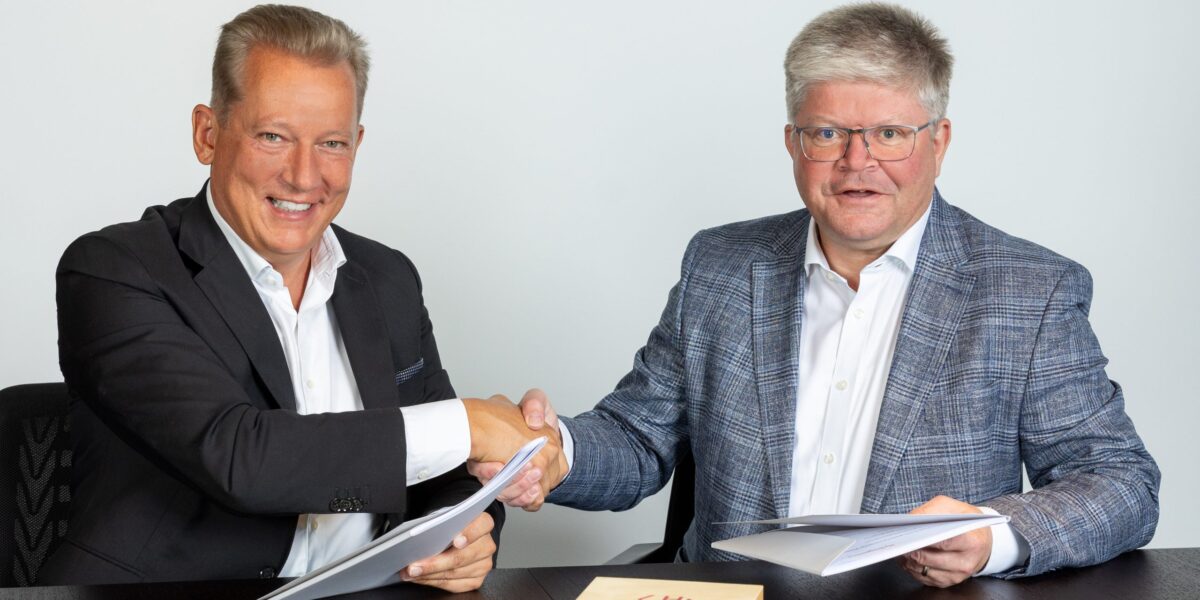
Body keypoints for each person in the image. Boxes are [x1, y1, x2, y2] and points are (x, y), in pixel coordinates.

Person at [477, 2, 1160, 588]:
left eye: (889, 134)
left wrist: (993, 537)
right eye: (828, 133)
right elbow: (638, 441)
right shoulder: (720, 266)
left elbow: (1121, 482)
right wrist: (556, 447)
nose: (857, 162)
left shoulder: (1029, 291)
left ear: (939, 141)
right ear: (793, 142)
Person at [39, 4, 561, 590]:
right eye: (273, 136)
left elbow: (441, 476)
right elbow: (239, 455)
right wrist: (471, 423)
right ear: (207, 134)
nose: (304, 175)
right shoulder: (116, 270)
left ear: (358, 143)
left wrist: (464, 531)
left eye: (332, 143)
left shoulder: (387, 278)